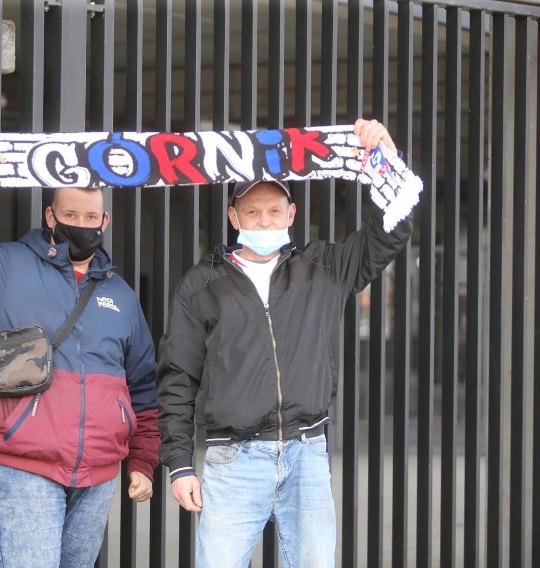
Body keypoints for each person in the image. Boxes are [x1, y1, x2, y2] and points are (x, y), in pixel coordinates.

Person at [156, 119, 414, 567]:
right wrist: (179, 463)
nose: (264, 220)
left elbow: (390, 231)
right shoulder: (202, 284)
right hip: (233, 459)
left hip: (306, 454)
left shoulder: (324, 268)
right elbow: (177, 377)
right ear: (233, 216)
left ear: (291, 215)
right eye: (252, 212)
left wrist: (384, 159)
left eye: (274, 211)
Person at [0, 131, 160, 567]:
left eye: (90, 216)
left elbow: (143, 388)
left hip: (98, 474)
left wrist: (142, 461)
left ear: (105, 222)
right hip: (25, 466)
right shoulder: (5, 267)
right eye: (70, 213)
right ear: (51, 215)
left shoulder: (122, 295)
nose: (82, 223)